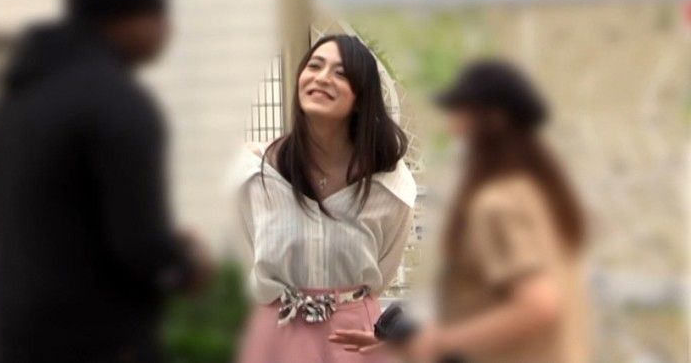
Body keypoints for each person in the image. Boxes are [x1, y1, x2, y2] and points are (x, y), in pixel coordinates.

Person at [0, 0, 210, 363]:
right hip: (102, 342)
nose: (166, 29)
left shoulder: (16, 101)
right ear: (131, 17)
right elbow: (138, 245)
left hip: (18, 342)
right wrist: (184, 264)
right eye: (158, 14)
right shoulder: (116, 104)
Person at [331, 60, 590, 363]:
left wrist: (440, 341)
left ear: (494, 121)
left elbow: (539, 305)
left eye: (461, 115)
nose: (453, 127)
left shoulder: (500, 203)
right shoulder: (540, 194)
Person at [234, 35, 416, 363]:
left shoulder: (390, 184)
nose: (321, 77)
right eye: (314, 66)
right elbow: (246, 254)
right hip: (275, 337)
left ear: (361, 97)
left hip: (354, 338)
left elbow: (384, 268)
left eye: (340, 73)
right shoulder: (256, 175)